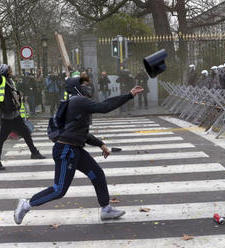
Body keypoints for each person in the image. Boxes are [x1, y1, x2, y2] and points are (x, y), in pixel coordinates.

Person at [13, 75, 144, 225]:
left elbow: (80, 132)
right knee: (59, 189)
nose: (88, 87)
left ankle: (106, 209)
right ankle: (26, 204)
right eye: (84, 84)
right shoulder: (79, 101)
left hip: (74, 149)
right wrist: (129, 95)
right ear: (77, 87)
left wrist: (100, 144)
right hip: (66, 151)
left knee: (97, 174)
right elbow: (105, 107)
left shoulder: (76, 102)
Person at [0, 64, 45, 170]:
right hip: (7, 116)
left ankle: (34, 153)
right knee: (1, 139)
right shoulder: (2, 79)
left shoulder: (10, 81)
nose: (11, 72)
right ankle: (34, 152)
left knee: (26, 133)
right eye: (10, 70)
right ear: (6, 71)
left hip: (14, 114)